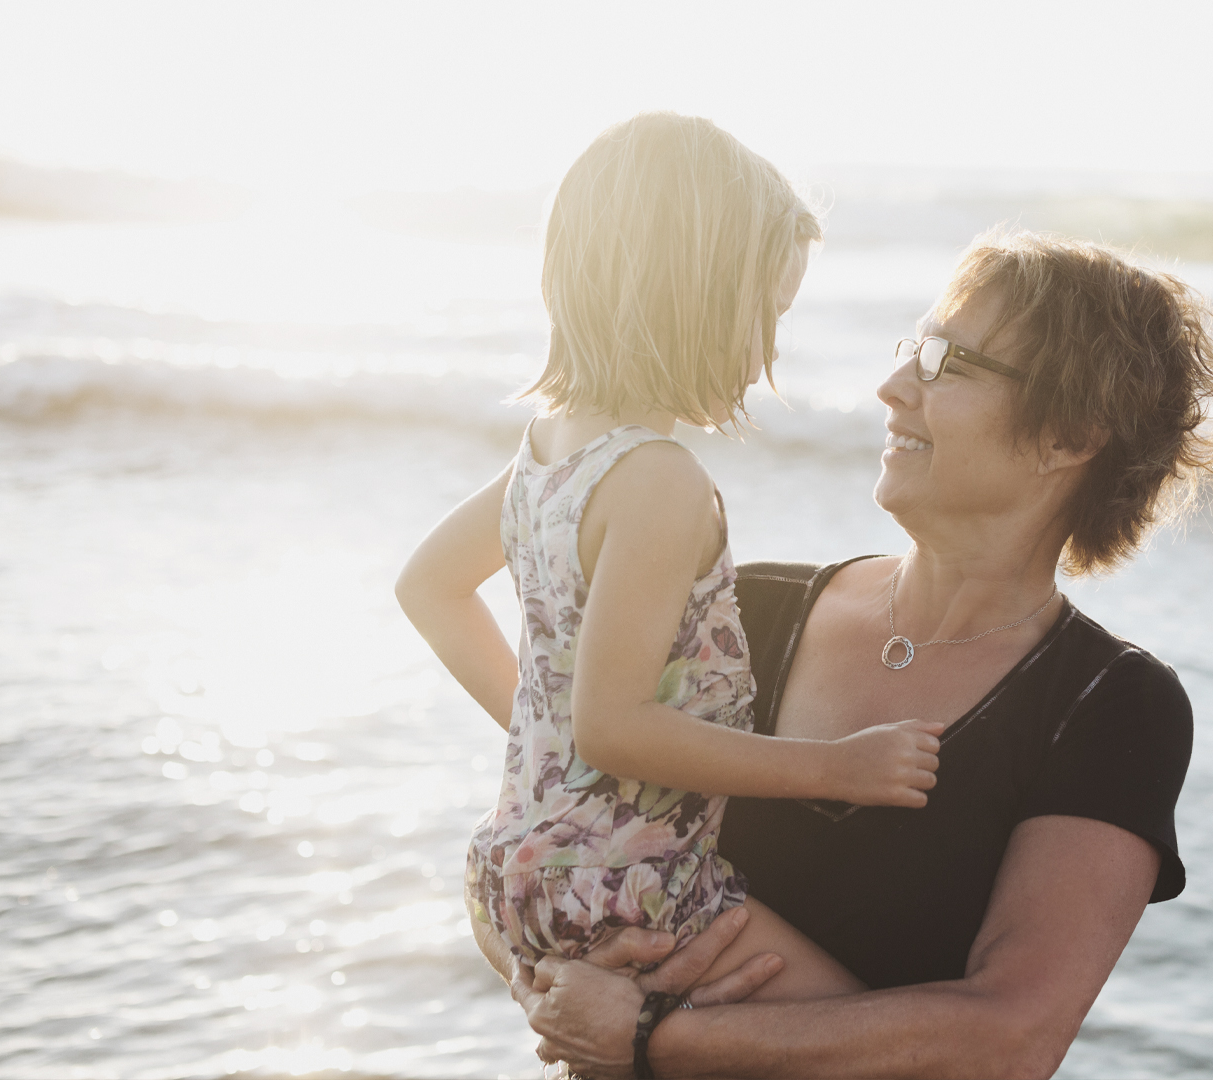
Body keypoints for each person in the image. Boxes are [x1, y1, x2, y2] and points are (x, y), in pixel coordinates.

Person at [492, 231, 1213, 1078]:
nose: (892, 389)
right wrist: (549, 984)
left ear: (1069, 437)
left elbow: (1012, 1035)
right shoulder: (749, 606)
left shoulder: (1111, 705)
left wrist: (654, 1040)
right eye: (910, 352)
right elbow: (565, 834)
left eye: (948, 363)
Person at [394, 112, 948, 1009]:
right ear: (698, 296)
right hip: (628, 886)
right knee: (872, 1036)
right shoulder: (660, 481)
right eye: (768, 312)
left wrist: (548, 749)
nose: (770, 346)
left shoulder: (551, 450)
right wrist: (837, 768)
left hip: (522, 864)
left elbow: (429, 588)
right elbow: (614, 726)